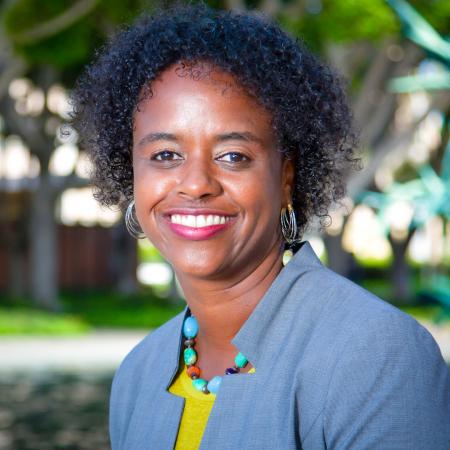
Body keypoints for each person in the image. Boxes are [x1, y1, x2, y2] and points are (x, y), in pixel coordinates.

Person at [72, 4, 450, 449]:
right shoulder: (139, 374)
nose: (195, 185)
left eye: (233, 156)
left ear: (286, 176)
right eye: (165, 155)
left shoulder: (377, 355)